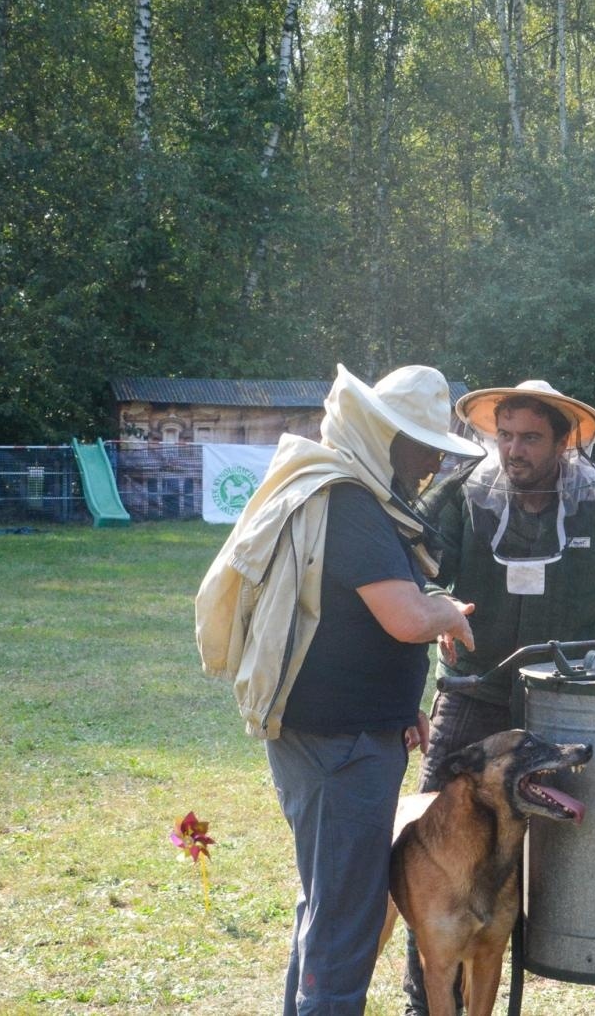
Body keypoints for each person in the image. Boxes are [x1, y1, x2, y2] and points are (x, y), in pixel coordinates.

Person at [402, 380, 595, 1016]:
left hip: (575, 702)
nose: (513, 450)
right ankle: (429, 1002)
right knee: (437, 851)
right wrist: (433, 611)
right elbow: (411, 568)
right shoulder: (461, 496)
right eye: (504, 435)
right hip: (475, 693)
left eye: (530, 438)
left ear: (565, 440)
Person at [195, 364, 484, 1016]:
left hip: (344, 735)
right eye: (424, 443)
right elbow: (405, 618)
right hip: (340, 746)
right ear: (383, 435)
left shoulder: (346, 497)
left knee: (329, 904)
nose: (435, 460)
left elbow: (342, 621)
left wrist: (397, 706)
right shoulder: (350, 504)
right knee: (346, 920)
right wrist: (445, 612)